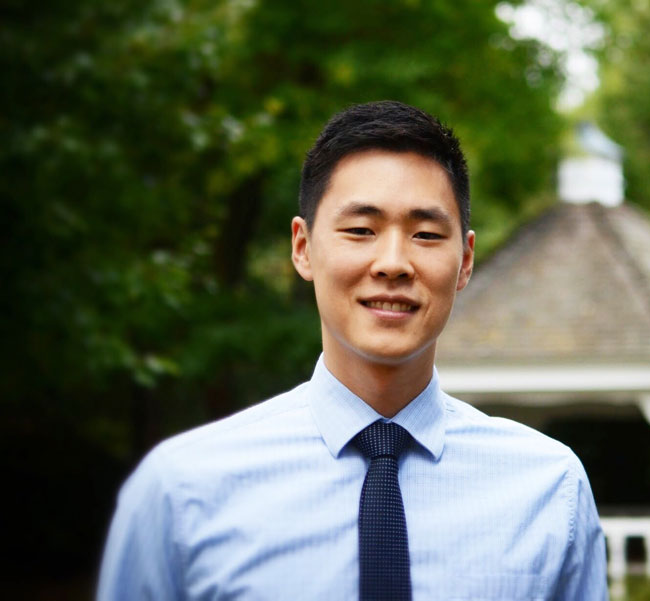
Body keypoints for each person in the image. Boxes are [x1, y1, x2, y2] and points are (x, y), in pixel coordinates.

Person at [98, 100, 608, 600]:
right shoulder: (182, 490)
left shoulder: (548, 489)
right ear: (303, 247)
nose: (393, 263)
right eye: (360, 230)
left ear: (466, 260)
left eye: (426, 234)